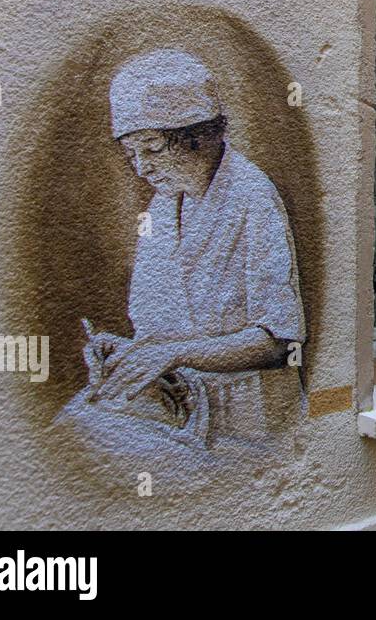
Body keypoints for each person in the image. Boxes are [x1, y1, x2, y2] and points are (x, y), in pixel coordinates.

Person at [55, 49, 306, 458]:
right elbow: (167, 328)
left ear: (199, 137)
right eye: (132, 153)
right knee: (74, 431)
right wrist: (130, 352)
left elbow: (279, 343)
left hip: (249, 429)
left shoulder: (252, 197)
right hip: (183, 410)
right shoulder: (166, 204)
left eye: (152, 149)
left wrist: (171, 353)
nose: (141, 168)